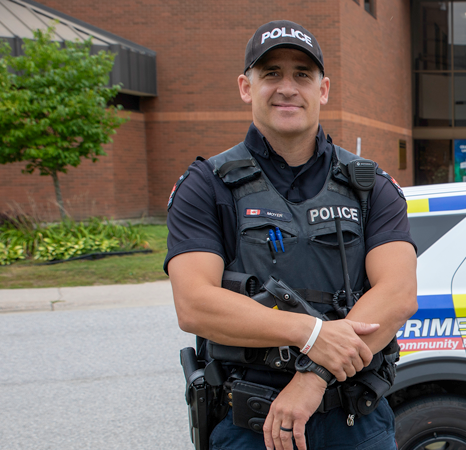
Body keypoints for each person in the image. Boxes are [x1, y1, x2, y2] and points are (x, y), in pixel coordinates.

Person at [165, 20, 417, 450]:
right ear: (246, 87)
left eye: (302, 74)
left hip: (355, 421)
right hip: (252, 426)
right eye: (271, 74)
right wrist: (310, 334)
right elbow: (195, 305)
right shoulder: (207, 185)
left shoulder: (369, 185)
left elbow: (397, 295)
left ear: (323, 90)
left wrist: (313, 377)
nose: (287, 87)